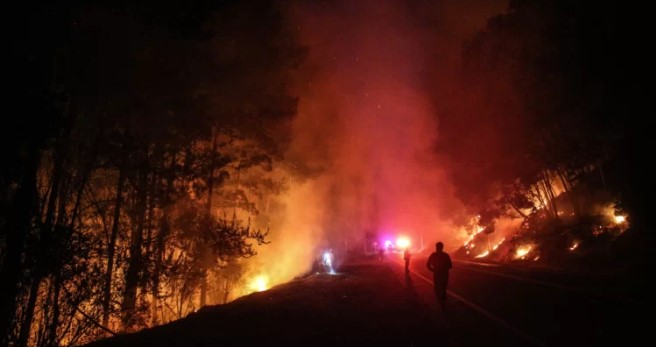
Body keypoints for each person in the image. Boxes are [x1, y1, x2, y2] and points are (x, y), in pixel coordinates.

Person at [426, 241, 452, 310]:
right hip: (444, 274)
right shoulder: (445, 255)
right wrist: (444, 268)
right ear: (442, 247)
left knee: (437, 287)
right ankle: (443, 300)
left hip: (437, 274)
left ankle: (440, 301)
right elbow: (450, 266)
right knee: (443, 287)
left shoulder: (433, 255)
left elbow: (428, 265)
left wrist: (433, 270)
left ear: (436, 247)